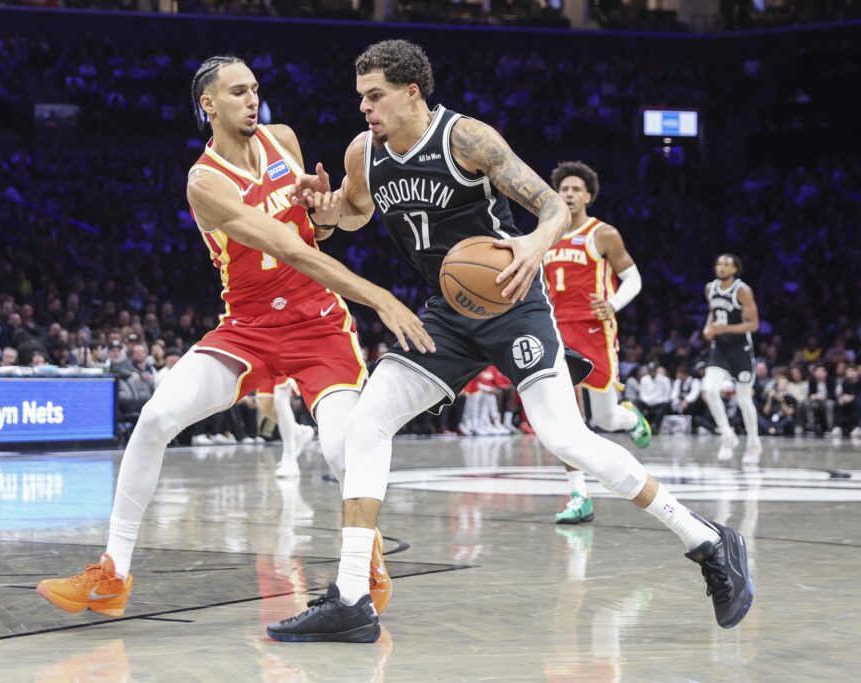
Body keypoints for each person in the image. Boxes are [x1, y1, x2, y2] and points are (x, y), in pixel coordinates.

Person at [269, 40, 752, 642]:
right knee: (368, 423)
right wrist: (323, 209)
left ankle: (708, 541)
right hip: (446, 312)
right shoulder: (364, 152)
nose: (364, 106)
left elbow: (549, 204)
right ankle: (350, 598)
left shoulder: (467, 139)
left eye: (376, 95)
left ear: (412, 91)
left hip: (511, 302)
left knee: (563, 436)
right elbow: (354, 212)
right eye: (361, 96)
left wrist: (533, 243)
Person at [35, 55, 433, 619]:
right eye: (238, 91)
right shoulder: (205, 181)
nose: (252, 99)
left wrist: (321, 211)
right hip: (247, 327)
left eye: (255, 89)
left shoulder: (284, 140)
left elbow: (318, 234)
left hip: (316, 322)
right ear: (209, 104)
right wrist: (381, 296)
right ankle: (113, 573)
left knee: (346, 448)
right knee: (153, 419)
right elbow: (289, 249)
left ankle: (365, 557)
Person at [543, 160, 652, 524]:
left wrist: (613, 303)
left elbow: (633, 278)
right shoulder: (545, 233)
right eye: (564, 189)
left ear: (588, 196)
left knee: (604, 418)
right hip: (555, 331)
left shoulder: (602, 234)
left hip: (593, 330)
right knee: (565, 421)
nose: (569, 194)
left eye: (576, 189)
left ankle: (628, 417)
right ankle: (579, 495)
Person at [701, 254, 762, 461]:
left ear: (735, 269)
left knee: (744, 400)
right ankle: (727, 435)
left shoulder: (742, 290)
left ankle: (754, 443)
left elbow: (753, 325)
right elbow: (713, 312)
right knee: (709, 389)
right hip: (721, 349)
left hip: (741, 350)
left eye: (727, 265)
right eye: (719, 263)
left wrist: (723, 328)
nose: (721, 267)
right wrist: (708, 328)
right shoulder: (710, 288)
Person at [258, 376, 315, 477]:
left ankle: (289, 459)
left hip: (289, 360)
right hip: (269, 359)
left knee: (280, 398)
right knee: (265, 404)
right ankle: (299, 432)